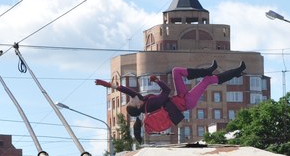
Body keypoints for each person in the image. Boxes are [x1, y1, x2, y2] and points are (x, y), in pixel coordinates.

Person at [95, 61, 246, 143]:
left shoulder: (142, 101)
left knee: (176, 71)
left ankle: (208, 70)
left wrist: (109, 85)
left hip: (180, 97)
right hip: (186, 102)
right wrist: (157, 81)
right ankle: (236, 72)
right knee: (207, 81)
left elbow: (127, 91)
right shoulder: (151, 104)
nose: (132, 98)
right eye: (131, 101)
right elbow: (166, 91)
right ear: (137, 105)